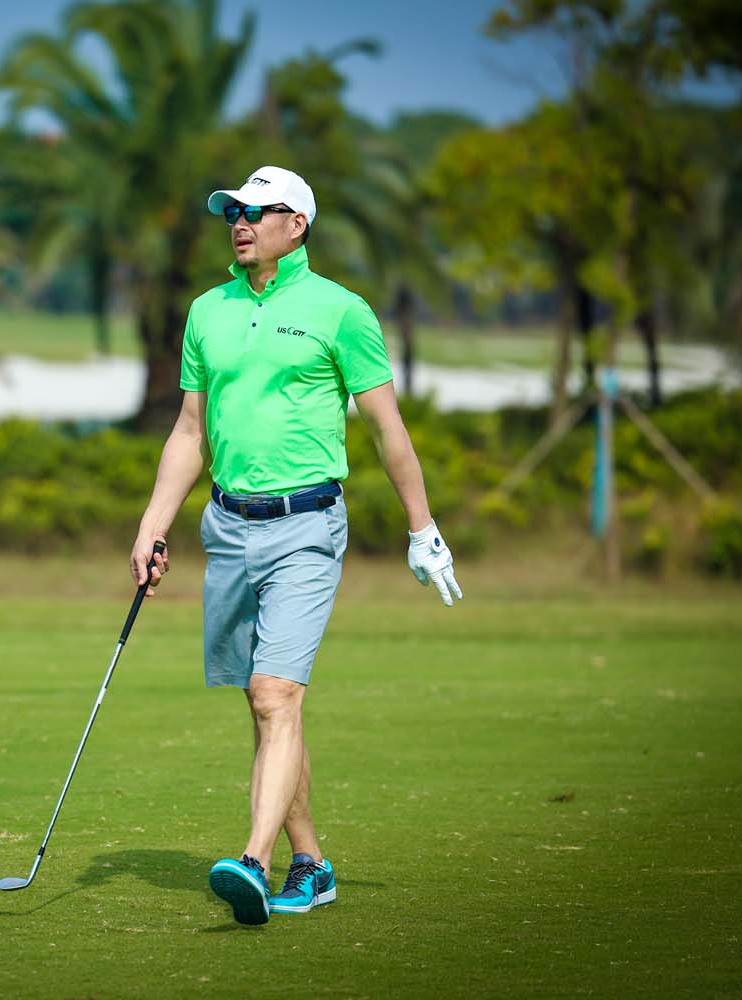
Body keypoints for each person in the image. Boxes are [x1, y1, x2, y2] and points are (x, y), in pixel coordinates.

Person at [129, 165, 462, 926]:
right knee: (264, 703)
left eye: (257, 211)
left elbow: (386, 427)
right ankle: (311, 864)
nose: (240, 223)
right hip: (226, 527)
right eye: (232, 213)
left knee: (274, 694)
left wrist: (422, 528)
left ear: (297, 224)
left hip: (307, 525)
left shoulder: (341, 311)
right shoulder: (207, 311)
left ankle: (252, 863)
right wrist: (153, 523)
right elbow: (189, 430)